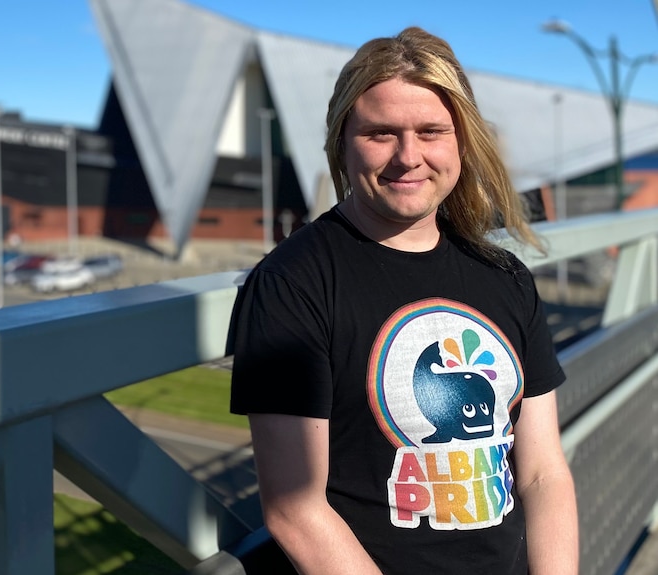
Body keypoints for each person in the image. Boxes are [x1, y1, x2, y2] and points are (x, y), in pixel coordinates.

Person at [229, 27, 578, 575]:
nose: (408, 156)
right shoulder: (292, 284)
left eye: (431, 131)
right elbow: (296, 510)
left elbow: (541, 472)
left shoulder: (505, 276)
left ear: (462, 142)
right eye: (381, 133)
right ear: (342, 141)